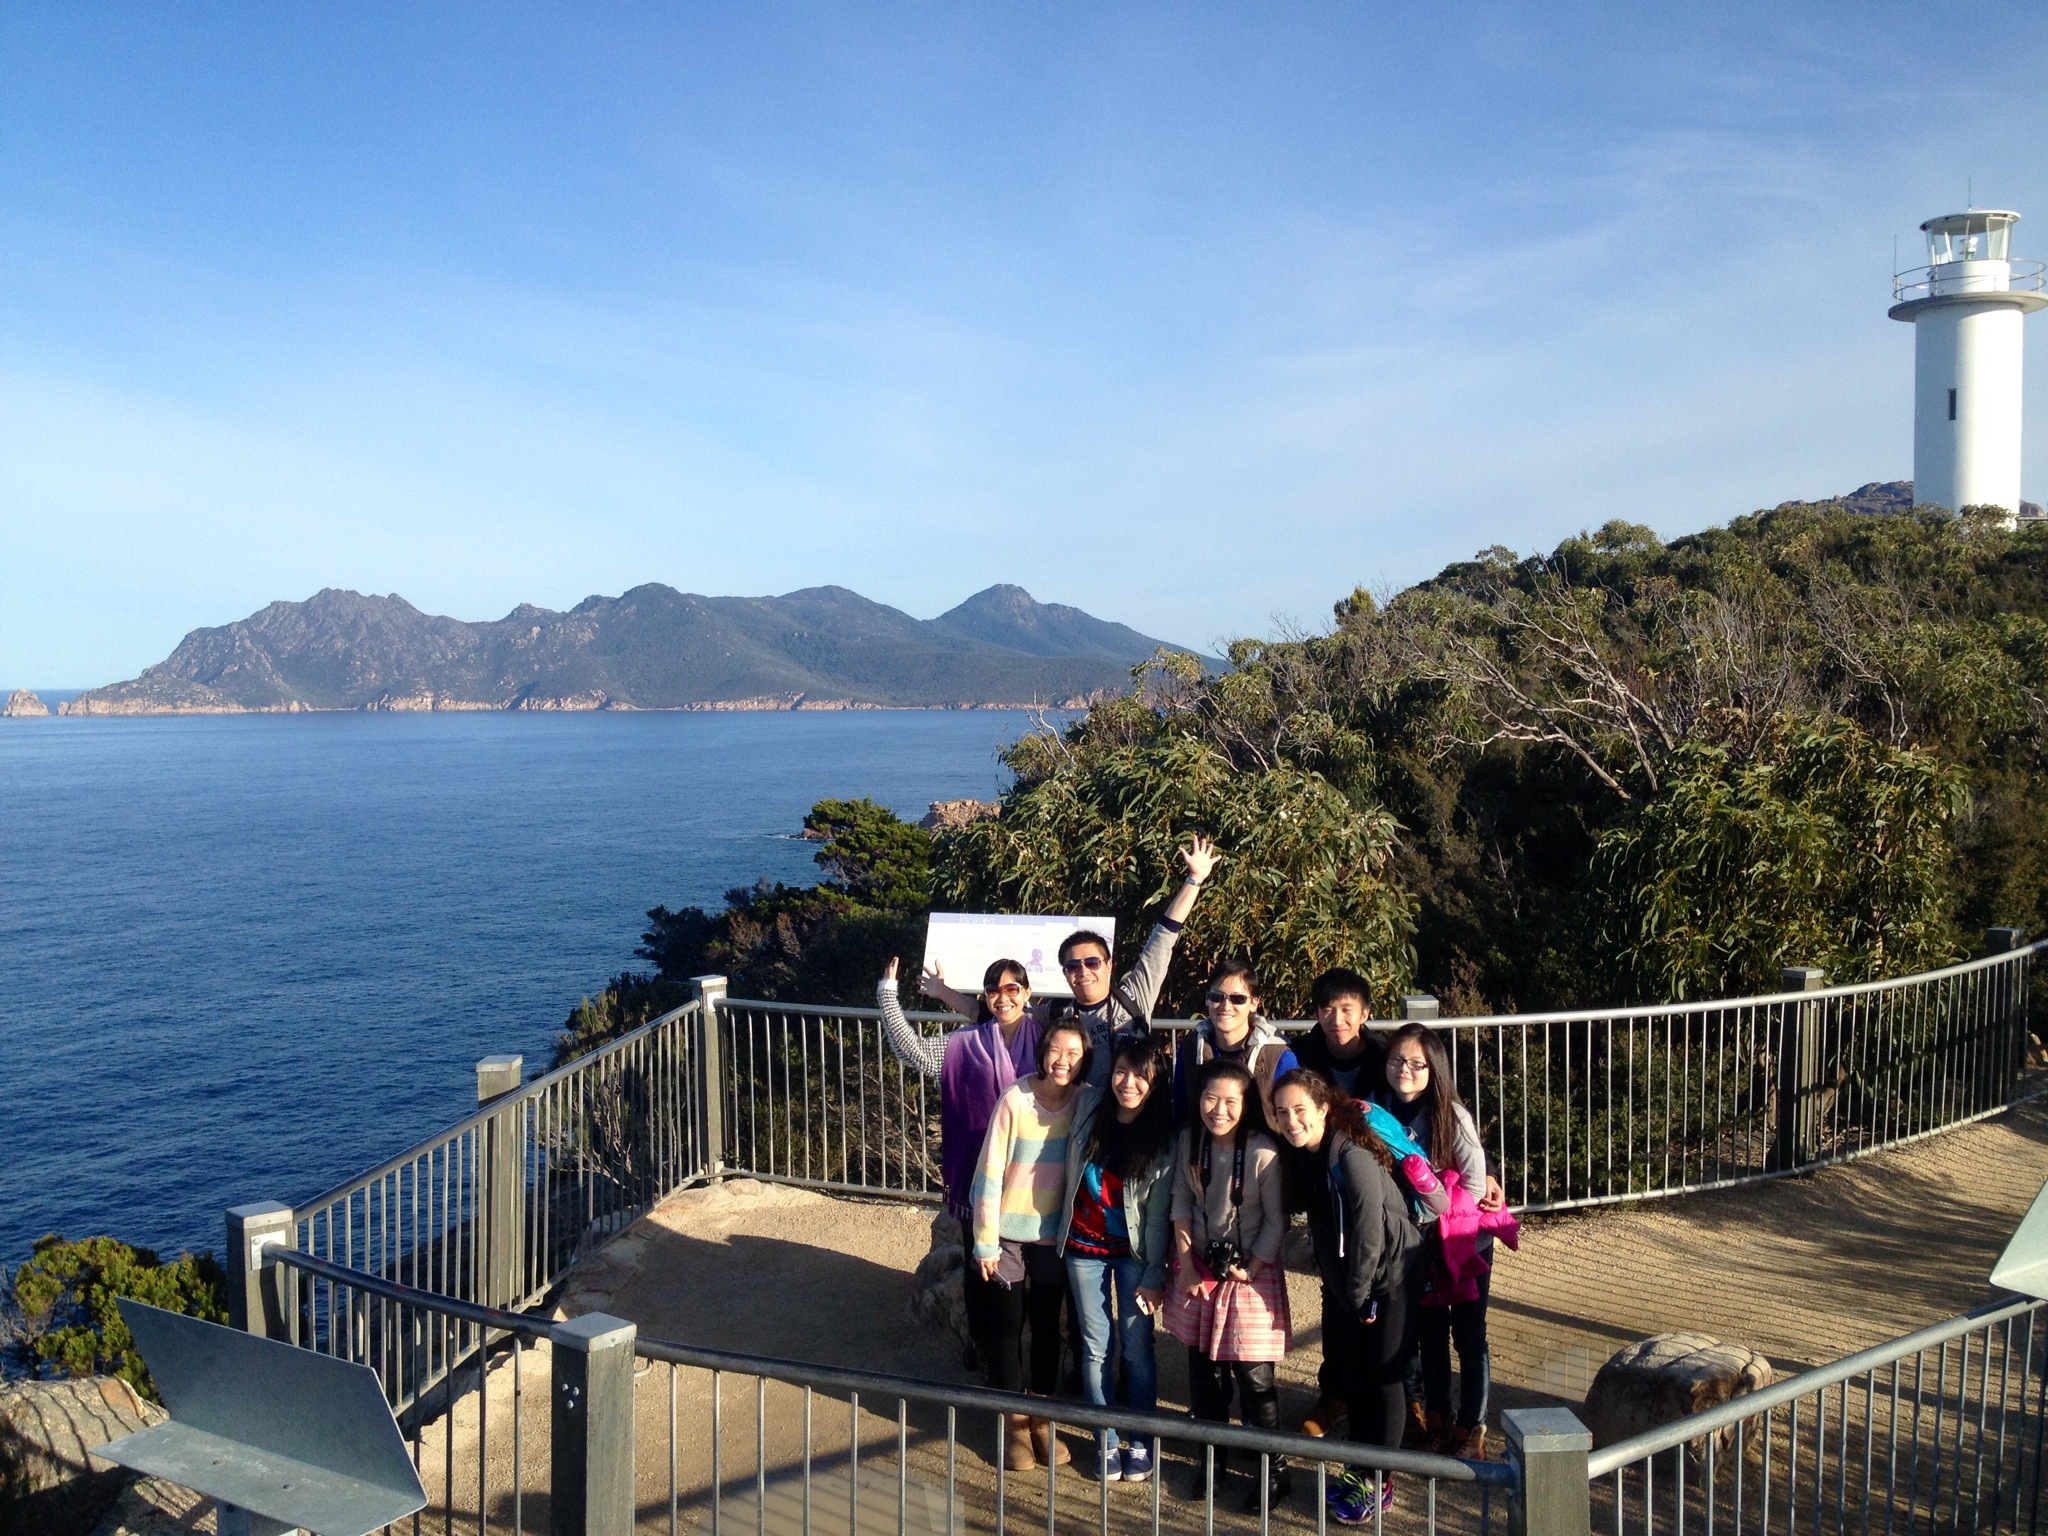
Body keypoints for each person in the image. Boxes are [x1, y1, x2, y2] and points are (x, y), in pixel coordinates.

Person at [877, 955, 1046, 1453]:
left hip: (1043, 1188)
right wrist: (888, 992)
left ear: (1028, 992)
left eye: (1013, 988)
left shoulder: (1053, 1040)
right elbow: (909, 1050)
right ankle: (994, 1372)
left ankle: (1042, 1395)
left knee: (1041, 1291)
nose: (1004, 996)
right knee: (986, 1283)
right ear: (986, 995)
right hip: (984, 1190)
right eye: (994, 988)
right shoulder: (964, 1045)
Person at [921, 835, 1221, 1082]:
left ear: (1109, 966)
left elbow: (1164, 936)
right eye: (1073, 966)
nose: (1083, 971)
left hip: (1133, 1114)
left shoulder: (1134, 994)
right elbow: (991, 1013)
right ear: (1065, 973)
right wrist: (941, 991)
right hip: (1080, 1123)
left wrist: (1194, 879)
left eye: (1092, 962)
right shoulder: (1054, 1014)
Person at [1268, 1069, 1425, 1525]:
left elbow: (1370, 1230)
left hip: (1393, 1272)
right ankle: (1361, 1466)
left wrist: (1359, 1296)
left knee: (1384, 1375)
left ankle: (1381, 1481)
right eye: (1282, 1112)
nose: (1291, 1120)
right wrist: (1347, 1295)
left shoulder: (1349, 1152)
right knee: (1355, 1374)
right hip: (1353, 1280)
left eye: (1300, 1109)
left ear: (1322, 1108)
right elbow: (1324, 1232)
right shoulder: (1306, 1154)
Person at [1376, 1023, 1512, 1461]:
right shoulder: (1378, 1110)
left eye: (1417, 1063)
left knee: (1470, 1336)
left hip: (1464, 1242)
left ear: (1435, 1070)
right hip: (1419, 1245)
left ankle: (1472, 1425)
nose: (1406, 1070)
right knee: (1429, 1335)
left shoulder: (1451, 1116)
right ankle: (1437, 1419)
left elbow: (1474, 1184)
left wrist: (1435, 1214)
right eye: (1397, 1059)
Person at [1165, 1060, 1292, 1511]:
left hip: (1250, 1274)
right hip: (1199, 1269)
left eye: (1231, 1102)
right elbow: (1180, 1199)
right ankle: (1212, 1460)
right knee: (1204, 1377)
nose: (1218, 1110)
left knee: (1255, 1378)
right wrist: (1184, 1263)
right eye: (1209, 1098)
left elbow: (1278, 1220)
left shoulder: (1263, 1152)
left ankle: (1274, 1470)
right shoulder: (1188, 1141)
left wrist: (1253, 1266)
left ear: (1247, 1105)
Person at [970, 1017, 1093, 1471]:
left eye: (1074, 1053)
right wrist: (984, 1242)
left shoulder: (1085, 1103)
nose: (1063, 1061)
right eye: (1056, 1051)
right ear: (1042, 1052)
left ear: (1084, 1060)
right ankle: (1014, 1422)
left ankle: (1044, 1416)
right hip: (1005, 1235)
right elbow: (987, 1173)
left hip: (1053, 1237)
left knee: (1046, 1328)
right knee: (1007, 1327)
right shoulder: (1015, 1100)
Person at [1056, 1036, 1178, 1484]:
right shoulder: (1089, 1109)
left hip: (1134, 1254)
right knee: (1094, 1347)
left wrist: (1154, 1274)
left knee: (1138, 1350)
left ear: (1154, 1081)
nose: (1128, 1083)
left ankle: (1142, 1441)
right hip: (1083, 1249)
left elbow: (1161, 1215)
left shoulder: (1163, 1137)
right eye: (1121, 1071)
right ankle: (1107, 1439)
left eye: (1140, 1075)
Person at [1286, 967, 1387, 1438]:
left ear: (1365, 1012)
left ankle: (1405, 1395)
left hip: (1382, 1186)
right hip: (1320, 1184)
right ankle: (1336, 1392)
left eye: (1347, 1009)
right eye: (1327, 1009)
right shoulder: (1300, 1054)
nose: (1337, 1019)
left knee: (1392, 1289)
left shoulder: (1387, 1058)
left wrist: (1482, 1171)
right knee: (1335, 1287)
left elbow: (1432, 1109)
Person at [1170, 959, 1298, 1130]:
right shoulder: (1191, 1048)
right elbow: (1182, 1111)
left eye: (1237, 999)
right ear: (1208, 999)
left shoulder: (1278, 1057)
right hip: (1202, 1151)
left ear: (1254, 1003)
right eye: (1217, 997)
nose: (1225, 1006)